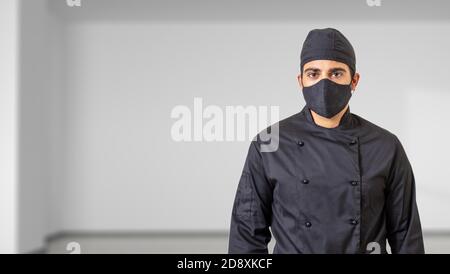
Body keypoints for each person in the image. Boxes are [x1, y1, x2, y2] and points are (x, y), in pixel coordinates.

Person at [228, 28, 425, 254]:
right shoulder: (268, 143)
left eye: (336, 73)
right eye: (313, 74)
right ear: (300, 80)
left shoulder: (386, 146)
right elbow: (246, 232)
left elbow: (406, 235)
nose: (324, 83)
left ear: (354, 80)